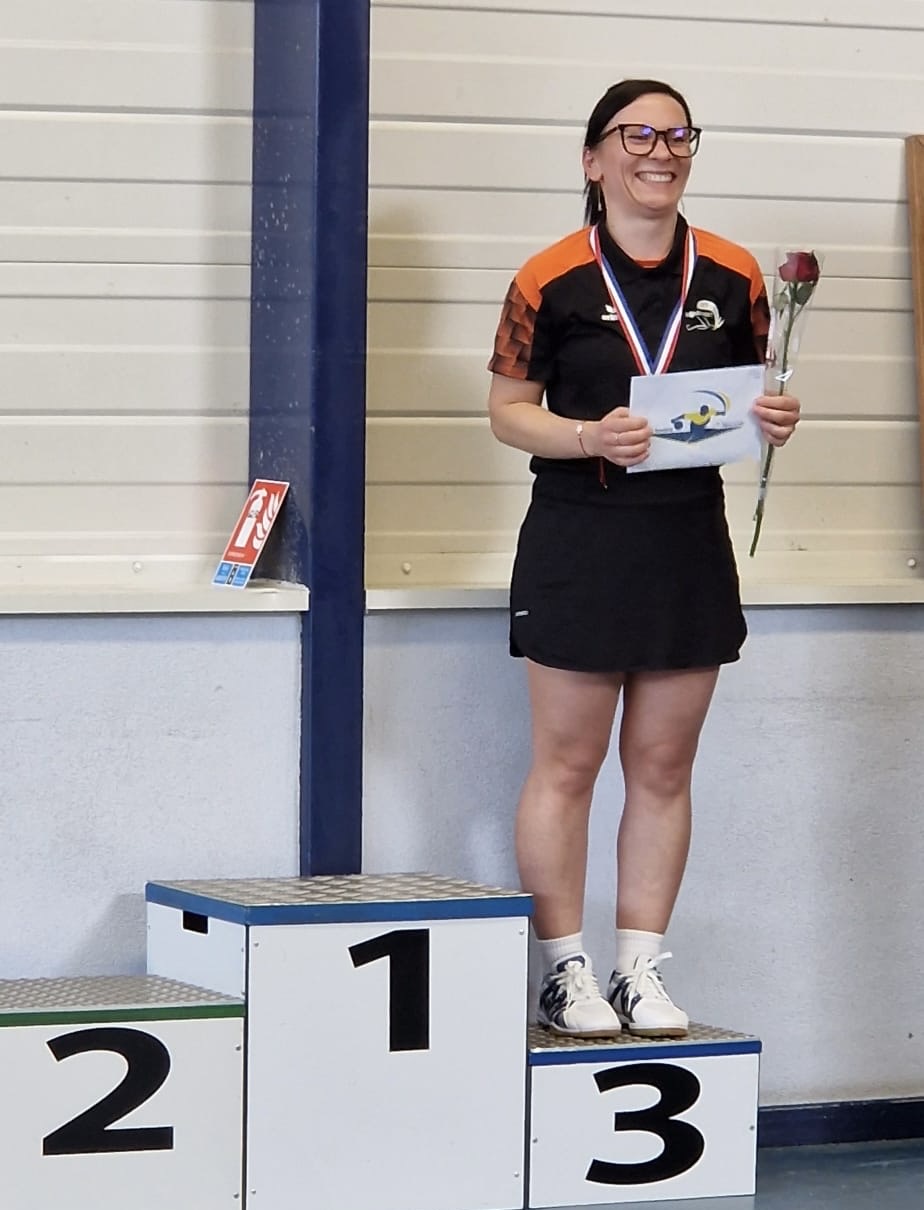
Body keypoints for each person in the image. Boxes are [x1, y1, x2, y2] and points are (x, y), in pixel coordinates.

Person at [487, 79, 800, 1039]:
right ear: (593, 159)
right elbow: (508, 413)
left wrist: (773, 417)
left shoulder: (736, 275)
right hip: (580, 534)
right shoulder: (548, 277)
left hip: (686, 538)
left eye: (677, 135)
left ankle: (637, 968)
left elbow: (748, 396)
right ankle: (565, 972)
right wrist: (587, 437)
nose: (660, 151)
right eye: (637, 135)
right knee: (568, 764)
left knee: (663, 766)